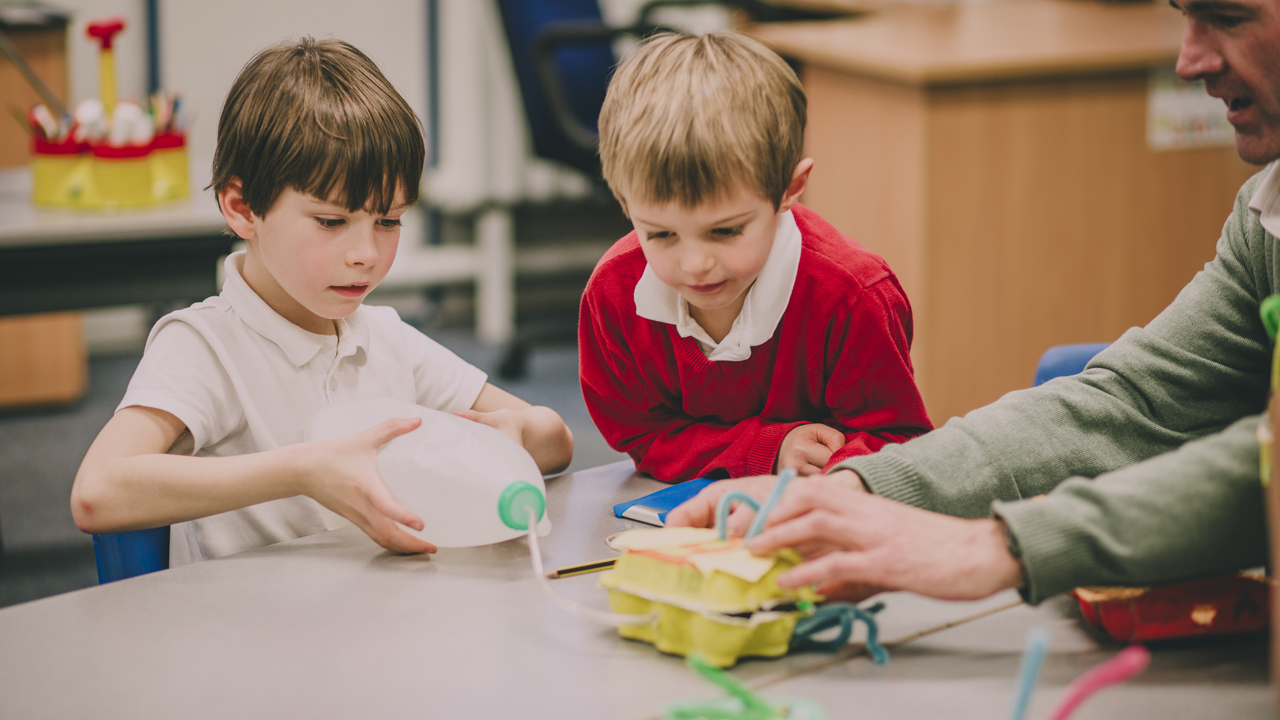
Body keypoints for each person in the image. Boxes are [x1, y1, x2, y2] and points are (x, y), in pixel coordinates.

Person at [669, 0, 1280, 605]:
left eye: (1227, 18)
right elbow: (1139, 403)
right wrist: (856, 489)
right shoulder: (1265, 217)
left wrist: (1005, 546)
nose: (1187, 60)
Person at [70, 38, 573, 565]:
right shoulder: (204, 346)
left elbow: (556, 441)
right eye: (332, 222)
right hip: (252, 634)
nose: (366, 254)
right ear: (243, 209)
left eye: (389, 221)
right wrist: (302, 470)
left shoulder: (385, 338)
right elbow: (96, 492)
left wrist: (515, 434)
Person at [578, 32, 932, 483]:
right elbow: (641, 436)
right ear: (625, 203)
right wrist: (769, 449)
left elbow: (899, 440)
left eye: (725, 230)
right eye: (661, 234)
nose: (695, 264)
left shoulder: (854, 295)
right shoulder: (613, 293)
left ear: (789, 189)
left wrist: (829, 474)